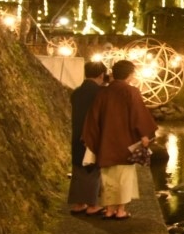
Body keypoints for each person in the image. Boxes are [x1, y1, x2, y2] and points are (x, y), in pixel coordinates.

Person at [81, 59, 158, 220]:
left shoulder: (103, 92)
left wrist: (92, 139)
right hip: (126, 141)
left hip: (106, 141)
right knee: (124, 177)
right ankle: (120, 210)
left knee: (108, 177)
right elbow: (138, 115)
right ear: (129, 75)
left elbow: (93, 118)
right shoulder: (131, 92)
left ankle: (109, 210)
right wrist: (145, 135)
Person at [67, 61, 109, 214]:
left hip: (77, 133)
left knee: (78, 167)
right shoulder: (101, 93)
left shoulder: (77, 92)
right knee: (93, 168)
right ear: (101, 74)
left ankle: (79, 204)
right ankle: (92, 205)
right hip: (93, 134)